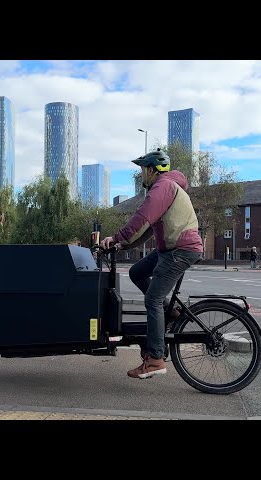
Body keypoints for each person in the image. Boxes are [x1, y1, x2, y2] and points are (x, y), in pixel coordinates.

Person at [100, 149, 203, 380]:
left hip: (180, 250)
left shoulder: (163, 187)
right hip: (170, 249)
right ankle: (170, 312)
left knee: (152, 299)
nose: (141, 176)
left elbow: (141, 218)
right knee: (137, 272)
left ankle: (155, 358)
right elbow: (147, 230)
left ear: (150, 169)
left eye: (141, 171)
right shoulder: (167, 187)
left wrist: (115, 237)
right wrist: (122, 246)